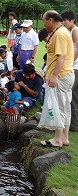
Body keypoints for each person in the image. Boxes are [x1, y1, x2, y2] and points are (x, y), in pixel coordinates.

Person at [40, 10, 74, 148]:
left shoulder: (59, 33)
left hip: (60, 75)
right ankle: (64, 137)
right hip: (66, 75)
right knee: (65, 107)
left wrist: (54, 76)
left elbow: (61, 57)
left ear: (51, 20)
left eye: (44, 21)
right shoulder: (61, 32)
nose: (44, 24)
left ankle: (58, 139)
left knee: (59, 108)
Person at [61, 10, 78, 132]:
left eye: (65, 20)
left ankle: (74, 125)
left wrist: (70, 62)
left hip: (75, 68)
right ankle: (73, 124)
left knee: (72, 96)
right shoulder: (70, 31)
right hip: (73, 67)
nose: (64, 23)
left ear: (72, 20)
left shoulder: (75, 30)